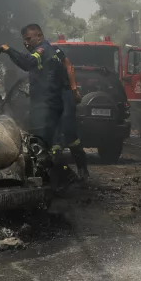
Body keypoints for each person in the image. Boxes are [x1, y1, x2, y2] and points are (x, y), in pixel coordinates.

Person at [0, 24, 74, 189]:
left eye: (28, 39)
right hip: (50, 103)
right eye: (24, 40)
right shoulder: (48, 51)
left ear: (39, 36)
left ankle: (60, 181)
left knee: (41, 144)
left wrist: (8, 49)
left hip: (48, 104)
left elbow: (27, 63)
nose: (26, 43)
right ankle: (62, 179)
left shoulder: (42, 50)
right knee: (47, 145)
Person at [53, 44, 90, 181]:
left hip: (64, 94)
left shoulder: (53, 50)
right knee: (53, 139)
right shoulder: (33, 57)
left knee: (70, 132)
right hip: (49, 98)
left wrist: (74, 90)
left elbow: (68, 66)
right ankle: (60, 174)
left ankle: (82, 169)